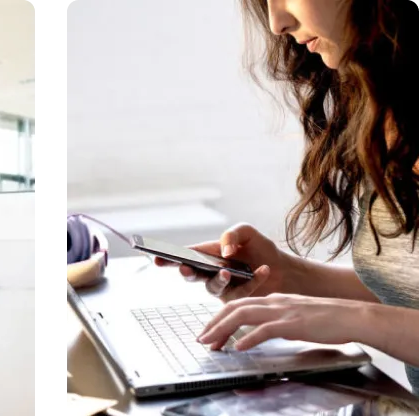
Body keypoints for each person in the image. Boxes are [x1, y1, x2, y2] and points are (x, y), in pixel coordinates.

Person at [155, 0, 419, 393]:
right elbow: (409, 292)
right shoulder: (387, 110)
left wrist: (359, 320)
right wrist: (288, 275)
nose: (277, 23)